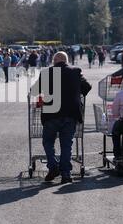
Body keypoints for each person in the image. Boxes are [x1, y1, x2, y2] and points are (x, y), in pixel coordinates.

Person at [32, 52, 92, 184]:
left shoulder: (46, 72)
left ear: (54, 61)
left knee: (48, 142)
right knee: (66, 144)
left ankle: (53, 167)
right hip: (71, 113)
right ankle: (66, 173)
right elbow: (87, 87)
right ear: (66, 60)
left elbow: (34, 91)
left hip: (51, 113)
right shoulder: (75, 72)